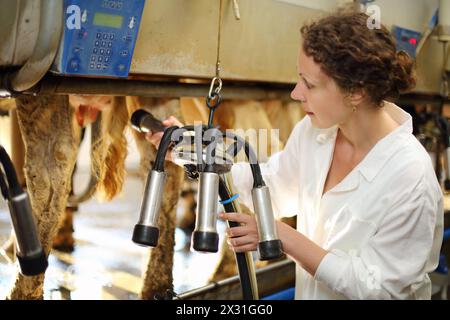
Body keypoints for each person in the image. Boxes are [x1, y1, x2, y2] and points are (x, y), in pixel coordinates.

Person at [145, 12, 444, 300]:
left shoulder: (410, 177)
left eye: (310, 84)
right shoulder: (315, 134)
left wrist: (280, 236)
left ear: (356, 92)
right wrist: (187, 150)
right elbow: (271, 188)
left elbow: (379, 289)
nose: (296, 93)